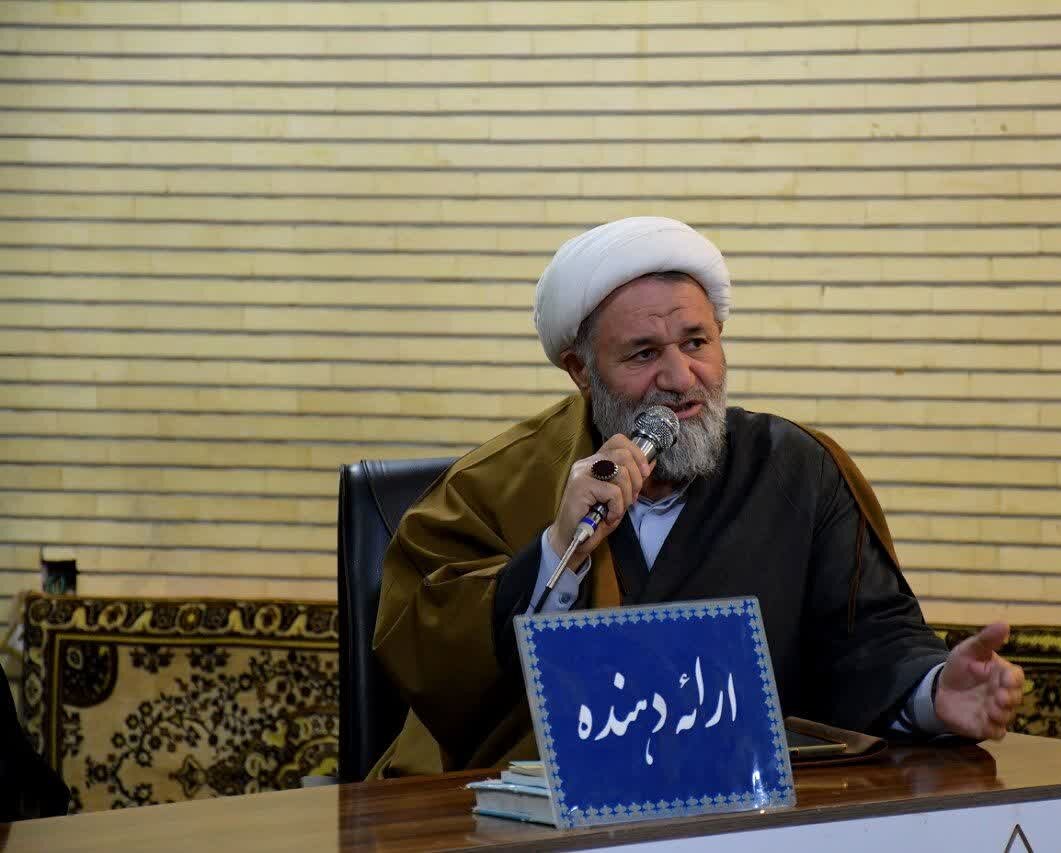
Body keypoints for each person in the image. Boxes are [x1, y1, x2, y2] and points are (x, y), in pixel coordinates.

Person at [369, 216, 1024, 778]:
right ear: (580, 369)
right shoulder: (496, 483)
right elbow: (427, 652)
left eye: (696, 343)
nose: (681, 379)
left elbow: (870, 640)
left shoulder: (797, 469)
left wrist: (934, 692)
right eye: (643, 354)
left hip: (741, 813)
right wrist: (554, 554)